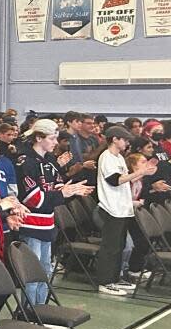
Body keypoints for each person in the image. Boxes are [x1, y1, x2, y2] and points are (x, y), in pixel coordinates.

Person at [15, 119, 93, 303]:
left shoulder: (49, 160)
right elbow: (34, 199)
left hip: (47, 223)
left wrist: (70, 190)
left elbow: (56, 185)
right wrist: (62, 193)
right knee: (32, 274)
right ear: (39, 137)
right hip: (31, 225)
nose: (55, 142)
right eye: (51, 138)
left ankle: (41, 309)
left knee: (45, 271)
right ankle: (28, 312)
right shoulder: (25, 162)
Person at [95, 126, 157, 296]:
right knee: (111, 247)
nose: (127, 143)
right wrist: (140, 171)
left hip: (122, 208)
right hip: (111, 208)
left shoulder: (120, 158)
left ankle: (115, 278)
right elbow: (115, 181)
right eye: (125, 139)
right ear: (114, 139)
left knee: (120, 246)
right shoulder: (106, 158)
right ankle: (105, 281)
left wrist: (144, 173)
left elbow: (125, 180)